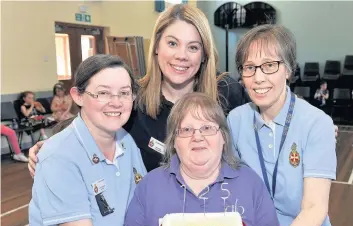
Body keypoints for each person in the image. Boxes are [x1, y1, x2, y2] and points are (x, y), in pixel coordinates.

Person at [27, 4, 250, 175]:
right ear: (156, 48)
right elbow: (89, 125)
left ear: (204, 55)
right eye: (172, 43)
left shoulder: (227, 92)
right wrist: (52, 146)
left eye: (193, 47)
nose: (181, 55)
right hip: (151, 221)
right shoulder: (133, 98)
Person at [227, 24, 343, 226]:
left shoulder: (316, 123)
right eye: (250, 67)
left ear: (288, 70)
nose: (258, 78)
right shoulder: (236, 120)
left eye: (269, 65)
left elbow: (314, 206)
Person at [119, 93, 281, 226]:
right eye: (187, 130)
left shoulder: (249, 182)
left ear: (223, 137)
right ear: (174, 141)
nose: (197, 137)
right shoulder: (150, 185)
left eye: (207, 128)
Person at [22, 54, 147, 226]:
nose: (116, 102)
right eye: (103, 93)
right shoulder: (58, 157)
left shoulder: (127, 142)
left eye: (124, 93)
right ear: (78, 96)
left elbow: (134, 213)